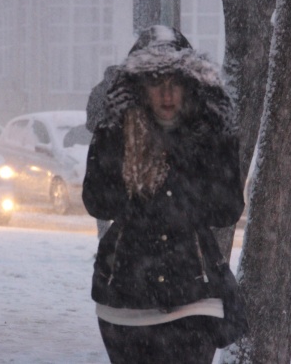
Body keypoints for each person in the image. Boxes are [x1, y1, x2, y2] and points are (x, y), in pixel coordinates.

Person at [82, 25, 245, 363]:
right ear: (140, 88)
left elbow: (227, 210)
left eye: (176, 83)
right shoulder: (117, 132)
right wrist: (112, 135)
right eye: (156, 83)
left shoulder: (208, 134)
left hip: (194, 292)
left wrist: (219, 141)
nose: (167, 94)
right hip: (124, 297)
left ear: (191, 87)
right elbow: (97, 201)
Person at [85, 65, 119, 239]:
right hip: (115, 154)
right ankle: (111, 241)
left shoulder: (98, 92)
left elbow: (89, 123)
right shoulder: (123, 93)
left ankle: (105, 240)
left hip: (103, 153)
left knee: (103, 198)